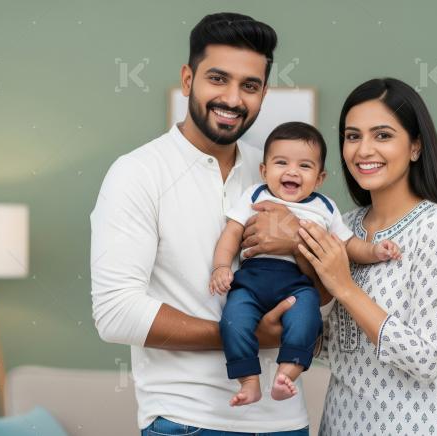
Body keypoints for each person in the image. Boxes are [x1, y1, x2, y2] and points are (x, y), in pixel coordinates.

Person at [90, 13, 315, 435]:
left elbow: (321, 293)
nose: (232, 98)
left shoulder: (276, 173)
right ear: (188, 79)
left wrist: (298, 249)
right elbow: (116, 314)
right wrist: (246, 334)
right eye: (218, 78)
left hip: (287, 423)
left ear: (264, 94)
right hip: (188, 421)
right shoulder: (137, 173)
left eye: (249, 86)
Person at [293, 78, 437, 436]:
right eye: (353, 136)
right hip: (340, 425)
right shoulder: (343, 227)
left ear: (415, 146)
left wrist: (345, 287)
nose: (364, 150)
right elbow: (327, 348)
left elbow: (426, 360)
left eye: (382, 135)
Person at [210, 122, 400, 407]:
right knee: (233, 320)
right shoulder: (255, 195)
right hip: (250, 282)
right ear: (264, 170)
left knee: (307, 320)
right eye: (281, 163)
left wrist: (374, 250)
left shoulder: (324, 207)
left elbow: (348, 245)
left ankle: (287, 372)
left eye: (305, 166)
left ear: (319, 178)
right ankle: (248, 380)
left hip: (298, 285)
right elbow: (232, 233)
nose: (292, 171)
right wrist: (221, 267)